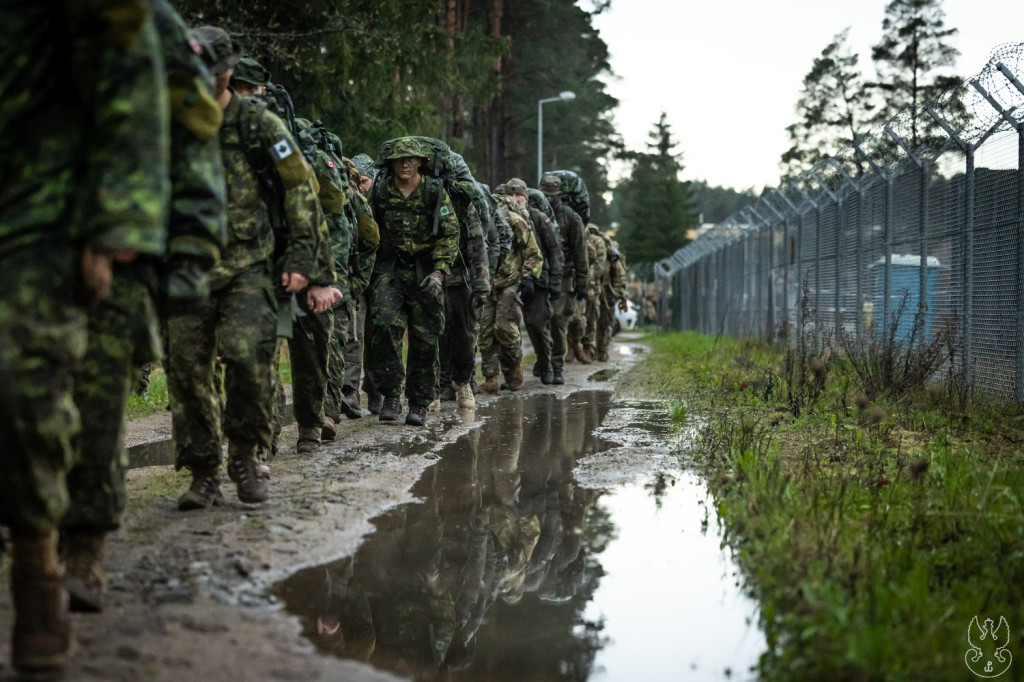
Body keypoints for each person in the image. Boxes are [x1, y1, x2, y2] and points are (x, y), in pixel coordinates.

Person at [0, 2, 169, 673]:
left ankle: (39, 562)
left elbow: (124, 60)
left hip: (37, 203)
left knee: (22, 383)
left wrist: (118, 217)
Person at [61, 0, 229, 614]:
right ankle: (31, 528)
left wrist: (187, 253)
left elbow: (190, 137)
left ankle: (80, 547)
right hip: (24, 229)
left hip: (115, 242)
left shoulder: (147, 20)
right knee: (21, 395)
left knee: (96, 399)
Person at [166, 25, 323, 508]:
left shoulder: (259, 124)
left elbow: (300, 188)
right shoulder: (169, 123)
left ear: (229, 71)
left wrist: (302, 259)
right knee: (187, 372)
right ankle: (204, 470)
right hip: (187, 268)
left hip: (248, 266)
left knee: (247, 360)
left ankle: (246, 454)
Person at [367, 138, 460, 426]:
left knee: (426, 338)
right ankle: (391, 395)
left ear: (421, 162)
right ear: (391, 163)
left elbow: (449, 233)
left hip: (425, 272)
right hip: (390, 270)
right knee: (382, 327)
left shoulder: (434, 191)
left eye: (411, 158)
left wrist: (440, 272)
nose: (406, 163)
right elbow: (367, 227)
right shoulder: (381, 191)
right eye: (400, 159)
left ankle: (419, 402)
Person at [479, 179, 543, 393]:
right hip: (486, 282)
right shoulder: (477, 218)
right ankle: (490, 378)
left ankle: (514, 368)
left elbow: (533, 252)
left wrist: (528, 277)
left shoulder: (514, 219)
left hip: (509, 281)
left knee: (504, 328)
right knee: (485, 331)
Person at [539, 174, 588, 384]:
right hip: (540, 274)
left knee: (558, 321)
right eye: (545, 195)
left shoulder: (570, 217)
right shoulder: (536, 215)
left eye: (552, 196)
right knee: (539, 321)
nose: (549, 199)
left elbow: (580, 252)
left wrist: (582, 282)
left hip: (565, 276)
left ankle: (557, 365)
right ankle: (544, 361)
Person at [522, 189, 563, 384]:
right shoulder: (505, 215)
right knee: (506, 327)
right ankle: (510, 373)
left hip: (538, 278)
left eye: (518, 195)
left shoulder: (539, 219)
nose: (515, 199)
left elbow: (555, 251)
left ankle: (547, 365)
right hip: (512, 278)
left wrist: (555, 282)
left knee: (537, 323)